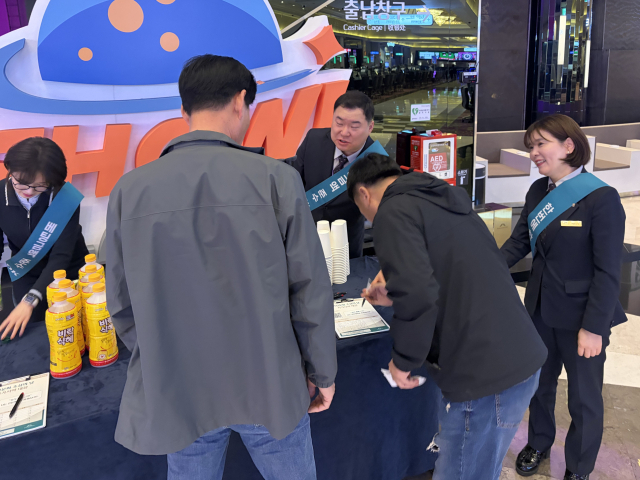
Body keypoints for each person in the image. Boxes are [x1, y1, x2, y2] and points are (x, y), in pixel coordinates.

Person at [105, 54, 337, 480]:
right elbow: (309, 290)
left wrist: (162, 351)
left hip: (180, 387)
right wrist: (322, 371)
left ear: (184, 110)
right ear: (240, 100)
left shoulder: (129, 190)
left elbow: (120, 302)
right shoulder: (276, 179)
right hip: (269, 379)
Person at [348, 153, 548, 480]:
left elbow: (419, 294)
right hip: (516, 356)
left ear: (363, 194)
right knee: (480, 470)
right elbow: (446, 275)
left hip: (483, 375)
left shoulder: (392, 212)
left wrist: (403, 360)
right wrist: (396, 290)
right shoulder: (439, 198)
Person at [501, 114, 626, 480]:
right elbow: (518, 243)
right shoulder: (538, 191)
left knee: (584, 399)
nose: (533, 153)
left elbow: (608, 272)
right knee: (539, 386)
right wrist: (482, 267)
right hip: (539, 310)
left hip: (582, 318)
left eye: (541, 144)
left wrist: (594, 328)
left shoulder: (601, 199)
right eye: (531, 147)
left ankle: (579, 467)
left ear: (568, 146)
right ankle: (538, 442)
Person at [0, 137, 89, 339]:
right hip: (27, 268)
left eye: (40, 186)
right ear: (10, 170)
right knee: (31, 331)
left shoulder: (66, 198)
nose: (29, 192)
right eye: (21, 184)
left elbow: (61, 256)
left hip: (68, 269)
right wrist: (27, 301)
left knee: (75, 328)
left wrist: (30, 299)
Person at [288, 90, 375, 259]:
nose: (344, 132)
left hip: (346, 248)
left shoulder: (376, 160)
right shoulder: (314, 139)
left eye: (354, 126)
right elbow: (293, 181)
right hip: (306, 239)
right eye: (339, 123)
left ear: (370, 127)